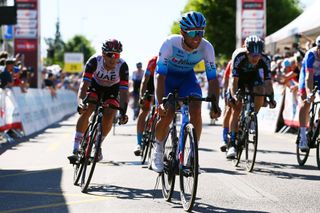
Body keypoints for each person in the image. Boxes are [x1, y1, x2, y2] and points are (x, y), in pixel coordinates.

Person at [151, 11, 221, 173]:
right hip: (167, 78)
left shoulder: (206, 47)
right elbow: (160, 76)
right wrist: (161, 102)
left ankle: (192, 154)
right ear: (182, 32)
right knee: (167, 113)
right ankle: (158, 149)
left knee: (196, 108)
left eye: (201, 32)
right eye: (193, 33)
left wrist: (215, 104)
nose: (198, 37)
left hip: (187, 78)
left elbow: (212, 78)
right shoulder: (169, 43)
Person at [68, 39, 129, 162]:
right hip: (95, 86)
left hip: (112, 89)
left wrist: (123, 112)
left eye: (116, 55)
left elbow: (123, 92)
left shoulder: (122, 66)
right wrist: (81, 102)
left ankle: (97, 144)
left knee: (110, 112)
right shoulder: (94, 61)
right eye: (109, 55)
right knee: (88, 106)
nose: (113, 58)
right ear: (103, 53)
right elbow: (84, 85)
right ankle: (75, 148)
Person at [226, 35, 277, 158]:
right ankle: (232, 143)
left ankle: (252, 117)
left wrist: (271, 97)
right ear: (246, 52)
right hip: (239, 80)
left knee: (261, 90)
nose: (256, 58)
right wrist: (234, 96)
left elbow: (268, 82)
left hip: (252, 78)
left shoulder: (265, 59)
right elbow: (234, 81)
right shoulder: (239, 56)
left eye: (258, 55)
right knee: (236, 107)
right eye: (253, 55)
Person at [297, 35, 320, 151]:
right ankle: (302, 136)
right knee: (305, 102)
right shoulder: (311, 55)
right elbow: (308, 77)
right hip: (307, 77)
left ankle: (316, 124)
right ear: (318, 48)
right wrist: (310, 93)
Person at [133, 56, 157, 156]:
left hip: (164, 85)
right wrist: (142, 97)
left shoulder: (173, 61)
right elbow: (145, 80)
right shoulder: (153, 62)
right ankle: (138, 143)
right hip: (151, 84)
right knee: (144, 110)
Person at [220, 60, 232, 152]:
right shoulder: (231, 62)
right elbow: (226, 78)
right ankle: (224, 138)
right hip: (231, 86)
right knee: (228, 109)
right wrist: (224, 91)